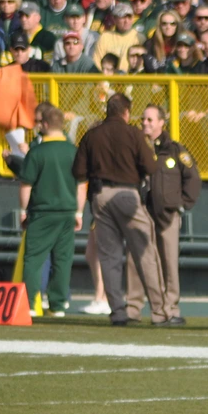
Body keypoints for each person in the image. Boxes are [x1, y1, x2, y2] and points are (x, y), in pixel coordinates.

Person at [73, 92, 165, 327]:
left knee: (109, 257)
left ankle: (117, 311)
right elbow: (151, 166)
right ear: (126, 112)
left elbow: (78, 172)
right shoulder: (134, 134)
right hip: (128, 195)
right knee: (145, 253)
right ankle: (159, 312)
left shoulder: (91, 135)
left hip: (101, 197)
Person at [129, 104, 201, 327]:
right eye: (143, 119)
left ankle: (170, 309)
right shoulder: (135, 149)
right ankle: (132, 308)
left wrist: (182, 204)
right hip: (141, 212)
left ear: (162, 122)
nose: (145, 123)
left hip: (167, 214)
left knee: (169, 261)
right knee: (135, 260)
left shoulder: (175, 150)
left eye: (150, 120)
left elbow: (193, 178)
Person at [17, 103, 78, 318]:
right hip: (67, 211)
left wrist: (23, 211)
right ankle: (58, 305)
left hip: (42, 211)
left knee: (34, 259)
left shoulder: (37, 152)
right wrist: (78, 212)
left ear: (44, 124)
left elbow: (26, 185)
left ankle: (32, 304)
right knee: (62, 260)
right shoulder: (73, 151)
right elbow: (82, 184)